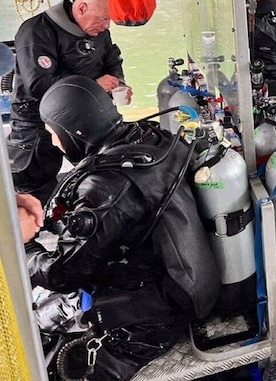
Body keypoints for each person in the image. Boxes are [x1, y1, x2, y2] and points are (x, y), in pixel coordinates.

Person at [27, 75, 219, 380]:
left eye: (53, 132)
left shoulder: (106, 186)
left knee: (54, 367)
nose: (52, 141)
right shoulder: (151, 140)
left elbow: (61, 273)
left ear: (74, 130)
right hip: (178, 280)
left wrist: (25, 248)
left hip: (152, 315)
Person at [7, 0, 132, 204]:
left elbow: (112, 61)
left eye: (109, 20)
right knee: (33, 183)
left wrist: (118, 83)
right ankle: (29, 234)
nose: (106, 26)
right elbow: (39, 84)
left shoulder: (100, 32)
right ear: (82, 8)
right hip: (37, 121)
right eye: (103, 19)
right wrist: (94, 86)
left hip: (84, 118)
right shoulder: (36, 30)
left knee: (100, 173)